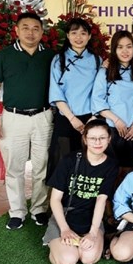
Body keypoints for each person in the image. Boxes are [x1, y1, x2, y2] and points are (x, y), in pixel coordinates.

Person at [0, 12, 55, 230]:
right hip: (13, 118)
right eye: (25, 28)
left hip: (44, 117)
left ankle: (39, 209)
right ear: (16, 30)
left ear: (42, 32)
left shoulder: (51, 56)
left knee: (42, 166)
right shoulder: (4, 56)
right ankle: (17, 212)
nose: (30, 33)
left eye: (35, 28)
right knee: (14, 167)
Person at [43, 119, 118, 264]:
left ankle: (93, 241)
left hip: (90, 216)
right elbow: (55, 199)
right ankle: (56, 243)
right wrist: (64, 229)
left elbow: (101, 201)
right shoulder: (70, 160)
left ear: (109, 139)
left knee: (88, 258)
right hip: (65, 214)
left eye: (102, 138)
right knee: (67, 261)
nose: (97, 142)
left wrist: (93, 233)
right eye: (92, 138)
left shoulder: (111, 165)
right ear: (85, 139)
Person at [48, 17, 101, 181]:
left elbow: (100, 92)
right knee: (62, 161)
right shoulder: (59, 60)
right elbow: (56, 93)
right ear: (68, 36)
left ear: (89, 36)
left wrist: (94, 117)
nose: (79, 37)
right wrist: (72, 118)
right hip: (66, 118)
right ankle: (60, 196)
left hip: (90, 119)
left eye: (83, 33)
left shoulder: (97, 60)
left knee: (88, 161)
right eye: (74, 33)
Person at [92, 30, 133, 176]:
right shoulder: (105, 72)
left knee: (129, 171)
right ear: (114, 49)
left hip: (131, 131)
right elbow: (98, 102)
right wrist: (116, 120)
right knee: (110, 171)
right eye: (120, 47)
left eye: (129, 46)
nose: (125, 51)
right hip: (111, 129)